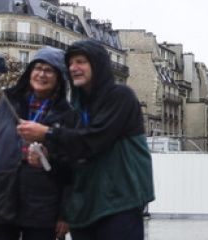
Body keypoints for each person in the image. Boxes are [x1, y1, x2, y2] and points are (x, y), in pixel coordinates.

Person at [18, 40, 153, 240]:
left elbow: (95, 140)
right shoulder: (75, 109)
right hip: (85, 206)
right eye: (70, 63)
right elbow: (70, 166)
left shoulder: (120, 96)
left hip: (119, 202)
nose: (73, 68)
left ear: (97, 65)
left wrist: (48, 133)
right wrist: (48, 160)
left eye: (80, 62)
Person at [0, 47, 72, 240]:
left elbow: (73, 167)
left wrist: (65, 214)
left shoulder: (67, 114)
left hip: (43, 203)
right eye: (37, 68)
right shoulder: (9, 103)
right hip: (2, 192)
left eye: (49, 70)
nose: (41, 74)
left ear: (59, 77)